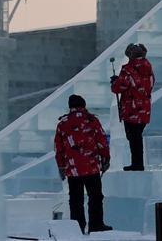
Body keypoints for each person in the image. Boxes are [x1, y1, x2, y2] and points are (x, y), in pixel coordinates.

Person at [54, 94, 113, 234]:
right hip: (91, 166)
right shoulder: (91, 120)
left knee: (75, 199)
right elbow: (102, 141)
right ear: (83, 105)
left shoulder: (62, 123)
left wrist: (61, 166)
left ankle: (77, 227)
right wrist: (105, 159)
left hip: (72, 168)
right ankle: (96, 224)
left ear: (70, 106)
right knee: (95, 196)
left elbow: (59, 148)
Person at [111, 43, 155, 171]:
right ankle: (137, 163)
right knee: (137, 136)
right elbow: (150, 85)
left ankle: (137, 164)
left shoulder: (128, 70)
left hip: (131, 109)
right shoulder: (148, 69)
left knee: (133, 137)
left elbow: (118, 88)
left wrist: (115, 81)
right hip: (144, 109)